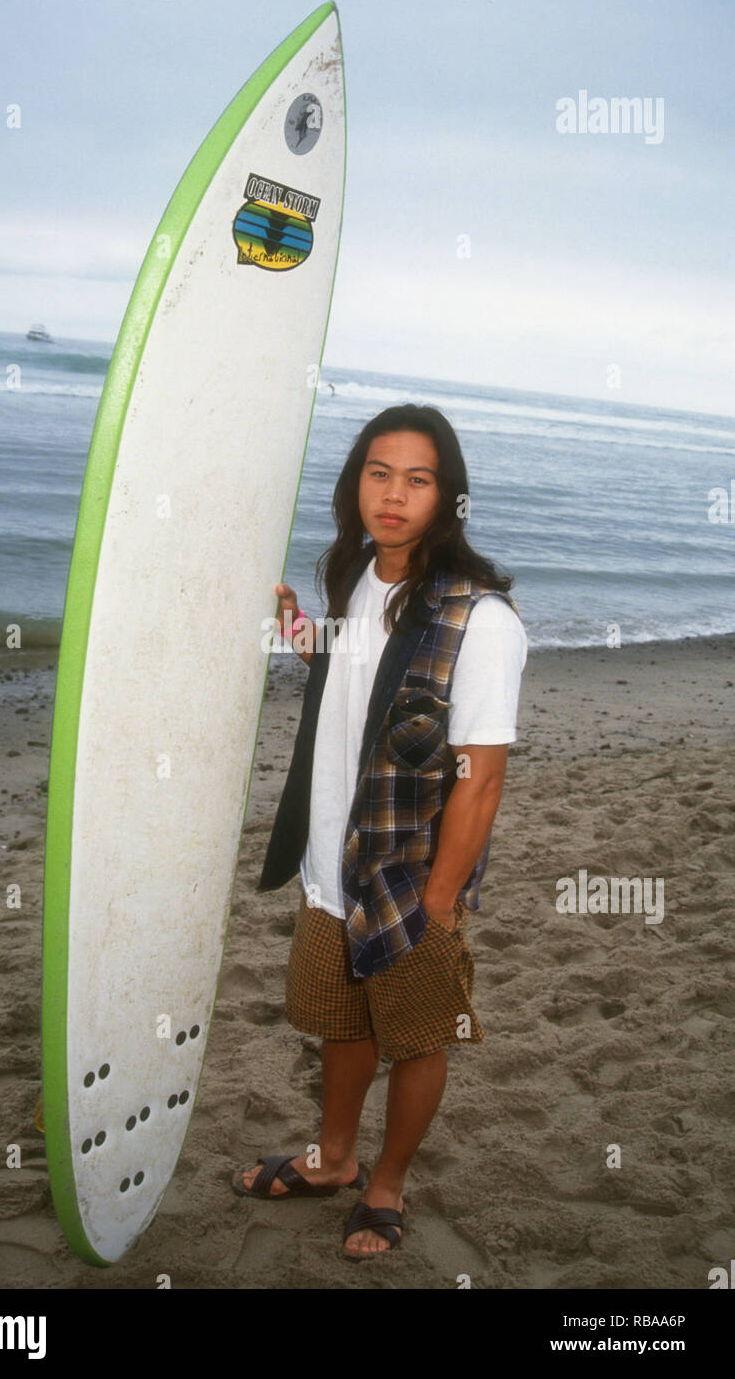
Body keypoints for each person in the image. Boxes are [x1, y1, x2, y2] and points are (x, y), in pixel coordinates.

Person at [234, 404, 527, 1260]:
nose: (394, 495)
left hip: (409, 880)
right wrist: (304, 638)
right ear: (355, 481)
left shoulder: (483, 620)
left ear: (449, 497)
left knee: (416, 1037)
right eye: (379, 472)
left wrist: (438, 902)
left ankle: (387, 1183)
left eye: (419, 479)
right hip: (331, 865)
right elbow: (359, 675)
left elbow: (483, 775)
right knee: (343, 1023)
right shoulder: (357, 576)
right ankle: (331, 1160)